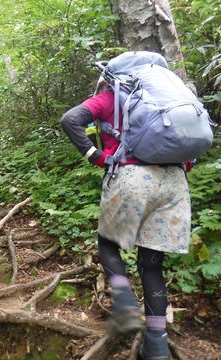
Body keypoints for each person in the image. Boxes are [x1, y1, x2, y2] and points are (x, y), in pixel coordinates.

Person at [60, 65, 192, 360]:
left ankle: (125, 304)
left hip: (131, 176)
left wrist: (96, 156)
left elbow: (70, 119)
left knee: (107, 244)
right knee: (152, 264)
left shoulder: (111, 97)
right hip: (174, 182)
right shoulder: (170, 96)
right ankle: (157, 345)